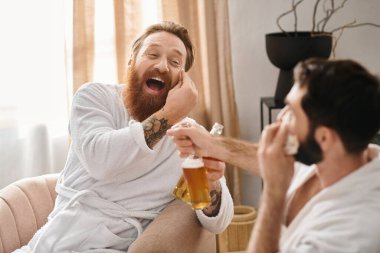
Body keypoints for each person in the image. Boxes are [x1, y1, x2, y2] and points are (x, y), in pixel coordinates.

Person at [16, 21, 233, 252]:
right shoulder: (96, 97)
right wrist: (169, 114)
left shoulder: (188, 134)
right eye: (152, 54)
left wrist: (212, 188)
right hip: (57, 240)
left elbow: (218, 222)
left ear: (182, 79)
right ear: (131, 61)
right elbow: (101, 161)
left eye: (175, 62)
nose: (162, 65)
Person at [168, 58, 380, 253]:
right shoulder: (345, 155)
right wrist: (212, 145)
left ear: (324, 138)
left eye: (292, 112)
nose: (281, 117)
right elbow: (275, 158)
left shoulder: (352, 233)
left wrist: (274, 191)